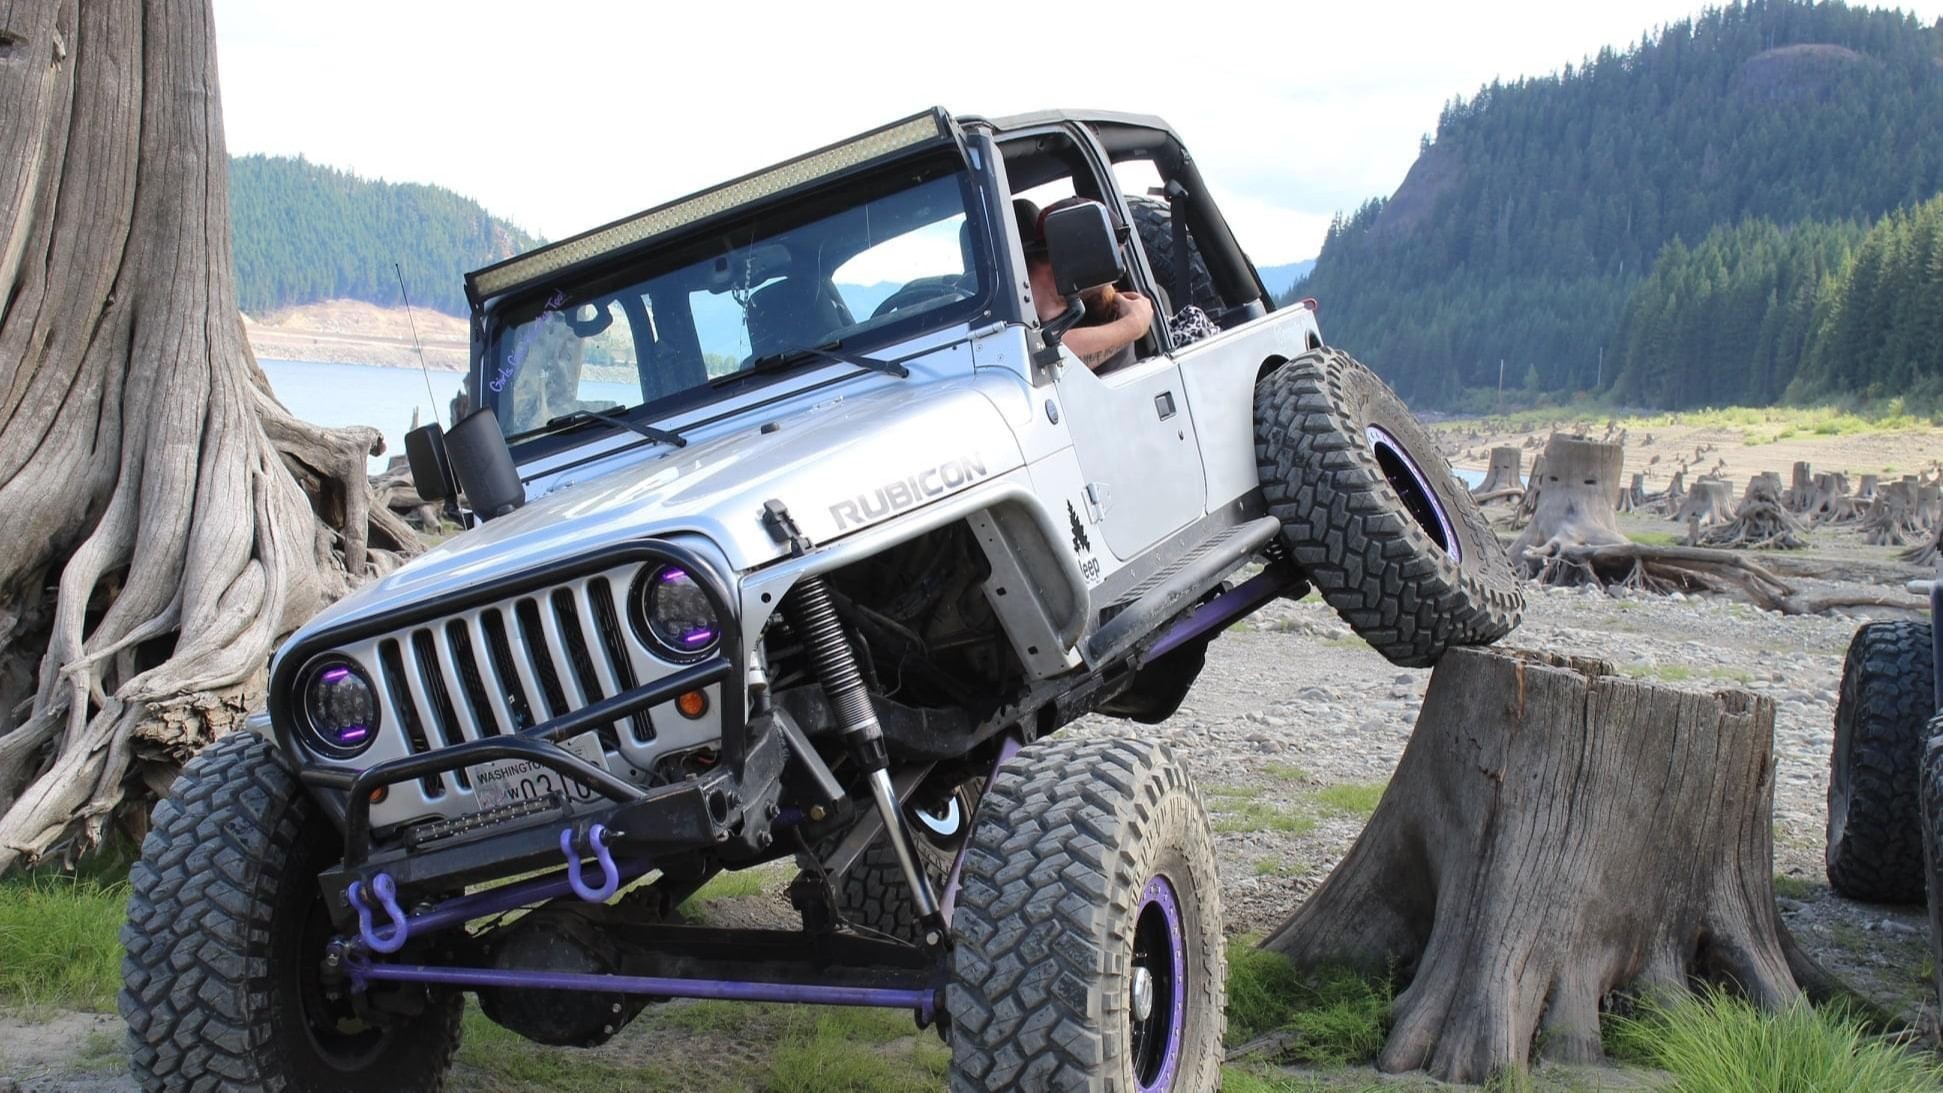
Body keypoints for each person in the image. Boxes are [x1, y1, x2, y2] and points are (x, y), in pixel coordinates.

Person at [1016, 197, 1153, 372]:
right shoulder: (998, 312)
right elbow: (1032, 358)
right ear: (1081, 255)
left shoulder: (1105, 315)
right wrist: (1133, 326)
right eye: (1111, 262)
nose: (1116, 275)